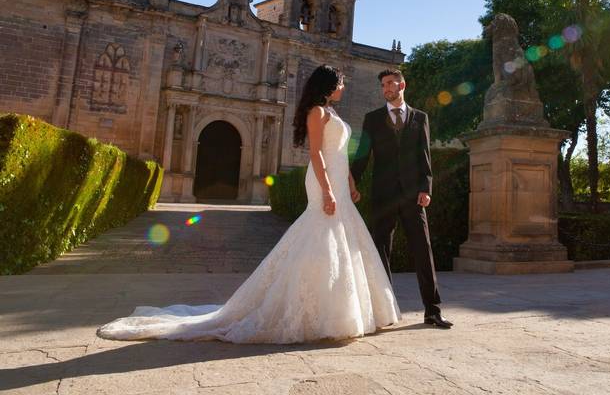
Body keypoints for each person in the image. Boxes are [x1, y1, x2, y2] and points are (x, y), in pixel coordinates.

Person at [97, 65, 401, 343]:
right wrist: (328, 190)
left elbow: (339, 153)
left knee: (341, 240)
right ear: (329, 85)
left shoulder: (332, 113)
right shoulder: (316, 113)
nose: (344, 87)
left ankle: (335, 304)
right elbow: (316, 154)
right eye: (341, 83)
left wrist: (348, 184)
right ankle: (311, 306)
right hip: (323, 181)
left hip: (338, 180)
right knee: (320, 236)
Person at [351, 69, 452, 329]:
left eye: (389, 83)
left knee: (423, 251)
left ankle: (433, 310)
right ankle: (384, 311)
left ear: (402, 84)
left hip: (412, 195)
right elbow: (363, 154)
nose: (385, 88)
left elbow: (424, 156)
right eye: (382, 84)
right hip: (382, 195)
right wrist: (351, 181)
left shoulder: (420, 118)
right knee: (381, 251)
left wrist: (425, 188)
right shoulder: (372, 119)